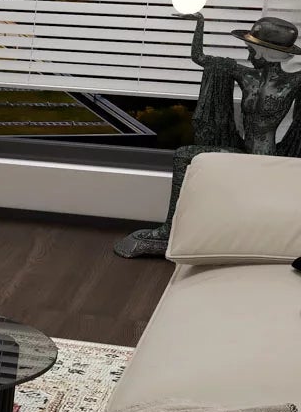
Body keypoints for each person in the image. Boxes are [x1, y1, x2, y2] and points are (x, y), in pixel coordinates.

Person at [115, 13, 301, 257]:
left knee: (185, 156)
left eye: (250, 49)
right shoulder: (247, 76)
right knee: (185, 155)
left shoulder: (295, 81)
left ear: (263, 52)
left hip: (268, 159)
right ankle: (170, 230)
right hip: (243, 153)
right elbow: (199, 58)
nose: (247, 55)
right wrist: (199, 21)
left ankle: (172, 231)